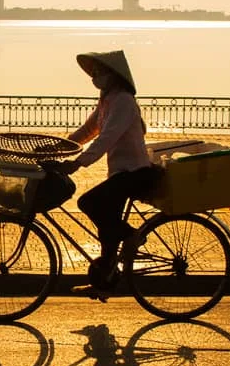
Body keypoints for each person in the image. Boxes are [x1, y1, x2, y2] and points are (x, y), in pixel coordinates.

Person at [58, 50, 160, 291]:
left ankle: (133, 235)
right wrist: (59, 147)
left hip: (135, 173)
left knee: (88, 202)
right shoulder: (107, 100)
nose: (95, 76)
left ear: (114, 75)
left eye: (99, 72)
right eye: (93, 72)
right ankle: (104, 283)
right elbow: (88, 131)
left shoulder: (124, 101)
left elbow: (107, 138)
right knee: (107, 231)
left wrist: (79, 162)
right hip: (120, 174)